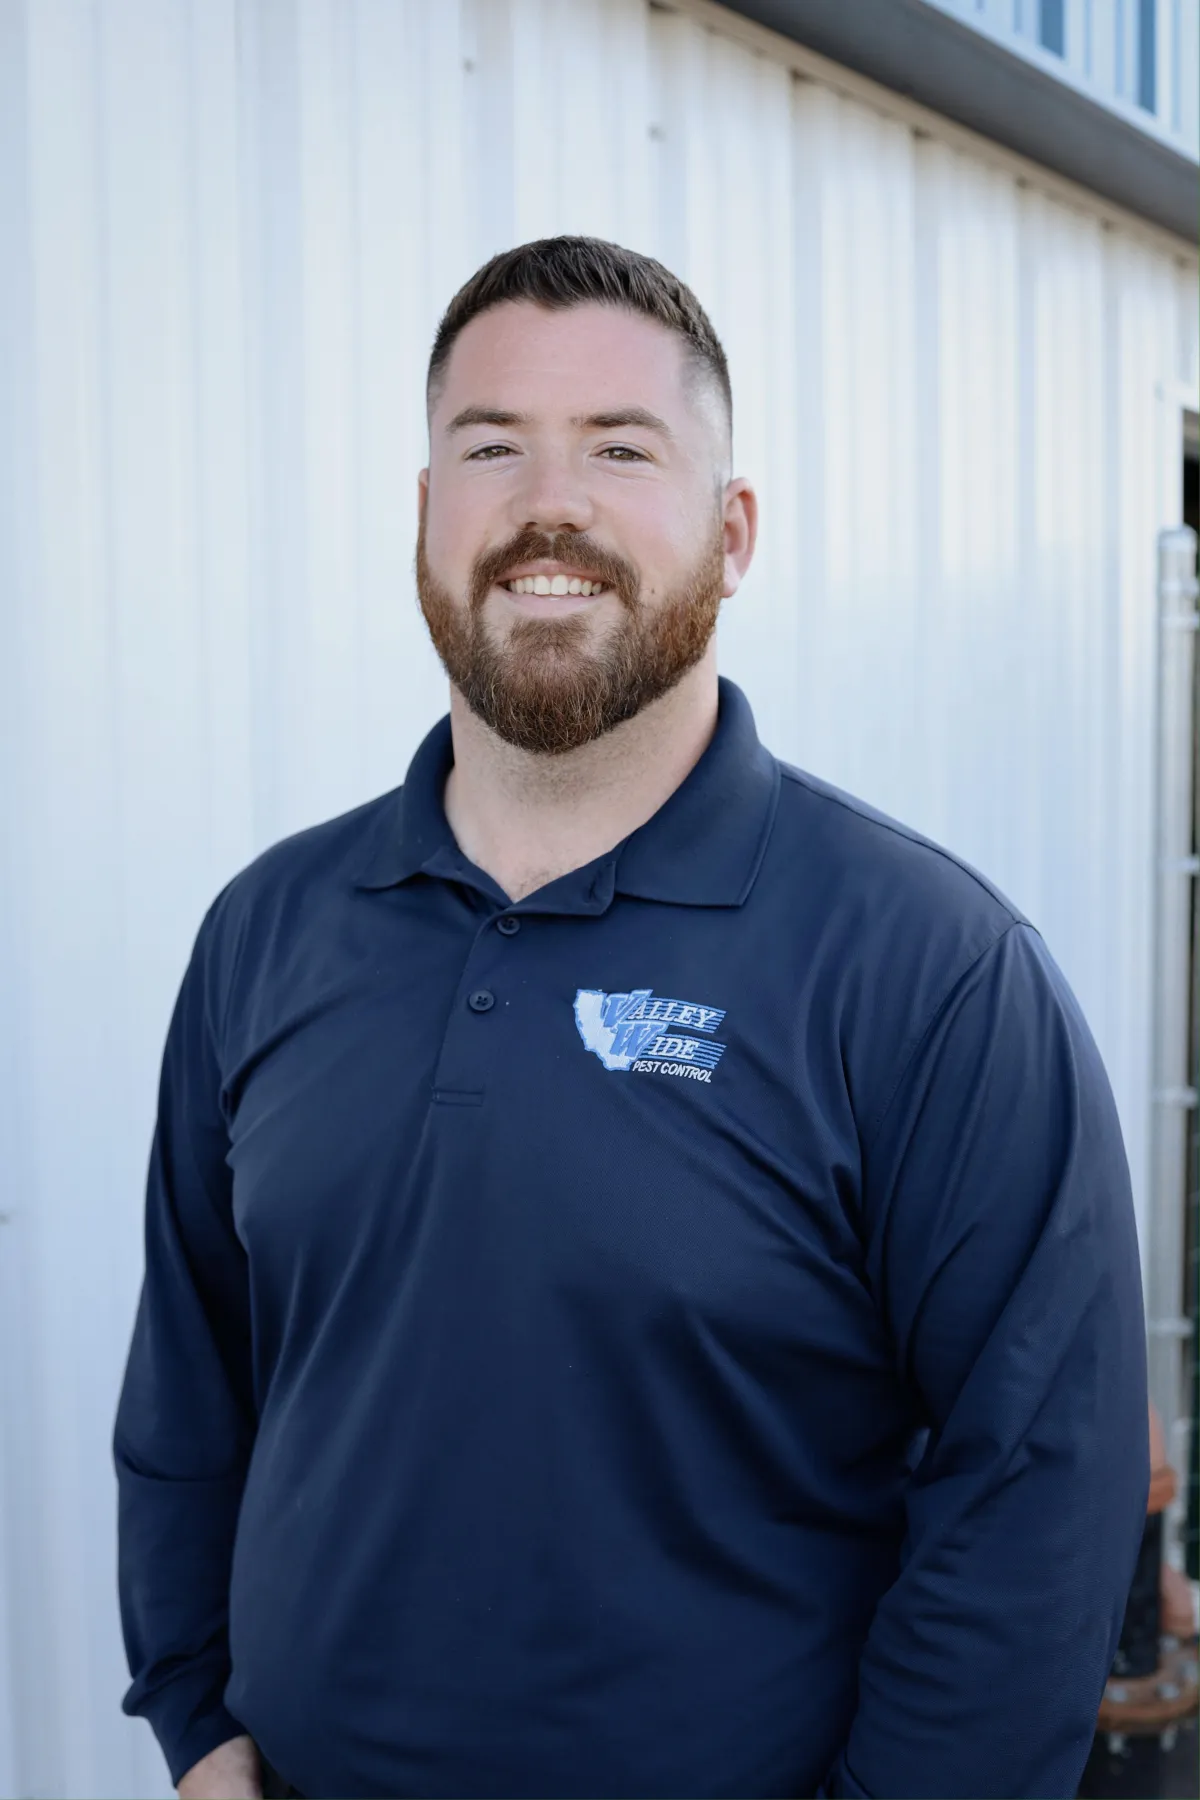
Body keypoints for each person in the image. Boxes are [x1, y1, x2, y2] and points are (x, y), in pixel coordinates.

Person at [113, 236, 1149, 1800]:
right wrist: (196, 1723)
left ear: (733, 533)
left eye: (620, 448)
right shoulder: (267, 932)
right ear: (424, 514)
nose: (552, 504)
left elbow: (1037, 1502)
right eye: (492, 448)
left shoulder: (928, 970)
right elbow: (190, 1389)